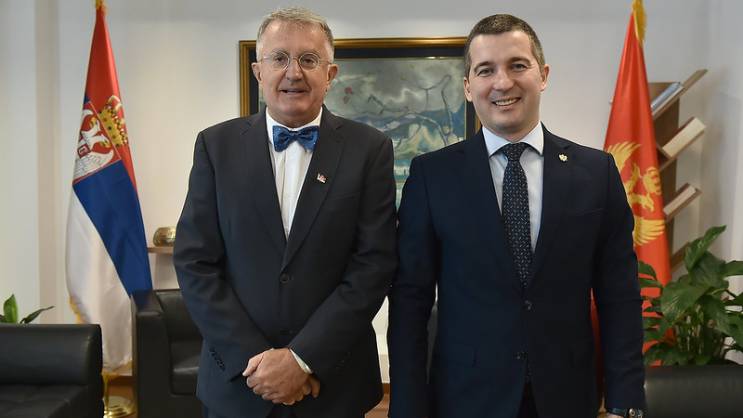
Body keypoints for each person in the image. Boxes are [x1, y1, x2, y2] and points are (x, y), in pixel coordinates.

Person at [388, 14, 645, 418]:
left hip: (567, 397)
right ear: (468, 86)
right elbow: (409, 302)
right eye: (485, 70)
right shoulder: (431, 176)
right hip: (465, 399)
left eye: (517, 65)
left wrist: (625, 403)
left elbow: (620, 297)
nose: (503, 82)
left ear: (543, 75)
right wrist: (406, 408)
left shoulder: (597, 173)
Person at [174, 7, 396, 418]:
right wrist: (258, 362)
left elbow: (374, 265)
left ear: (330, 74)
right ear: (258, 71)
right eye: (279, 58)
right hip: (238, 384)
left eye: (309, 59)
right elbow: (194, 262)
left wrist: (302, 359)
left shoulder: (370, 149)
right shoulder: (215, 146)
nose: (293, 72)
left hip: (333, 384)